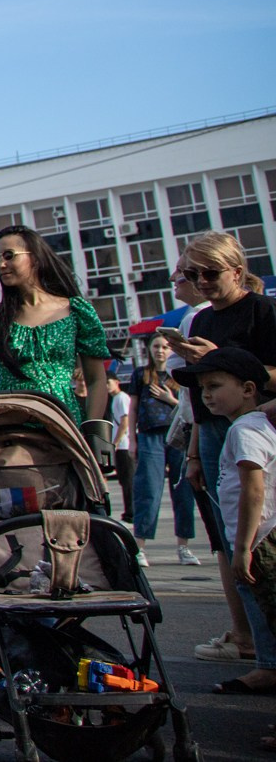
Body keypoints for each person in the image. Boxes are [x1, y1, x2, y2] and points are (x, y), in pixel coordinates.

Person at [163, 233, 276, 673]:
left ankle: (266, 654)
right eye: (192, 274)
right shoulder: (200, 319)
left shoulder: (262, 312)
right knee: (230, 541)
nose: (201, 282)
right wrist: (192, 452)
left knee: (260, 539)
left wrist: (226, 362)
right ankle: (255, 647)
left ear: (236, 269)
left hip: (259, 429)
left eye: (209, 273)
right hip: (211, 434)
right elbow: (196, 393)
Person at [169, 346, 276, 705]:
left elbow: (254, 490)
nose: (206, 395)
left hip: (261, 541)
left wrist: (243, 548)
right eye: (202, 389)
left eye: (215, 385)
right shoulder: (255, 425)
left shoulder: (245, 431)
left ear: (248, 389)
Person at [0, 224, 110, 432]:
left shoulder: (76, 311)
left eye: (9, 255)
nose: (1, 265)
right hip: (9, 428)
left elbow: (96, 380)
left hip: (64, 425)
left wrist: (93, 431)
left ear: (35, 258)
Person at [132, 332, 199, 569]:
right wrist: (132, 440)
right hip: (150, 435)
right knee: (148, 490)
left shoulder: (180, 376)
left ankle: (184, 546)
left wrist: (170, 399)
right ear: (149, 350)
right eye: (156, 346)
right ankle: (139, 547)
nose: (160, 350)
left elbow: (190, 406)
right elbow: (133, 408)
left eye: (164, 347)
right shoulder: (141, 374)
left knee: (183, 491)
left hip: (179, 436)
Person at [107, 375, 135, 522]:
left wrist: (116, 442)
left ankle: (131, 512)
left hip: (124, 445)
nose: (106, 385)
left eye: (108, 382)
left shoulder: (121, 397)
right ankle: (129, 510)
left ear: (117, 382)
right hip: (122, 444)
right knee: (125, 480)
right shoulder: (115, 398)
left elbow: (125, 421)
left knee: (128, 479)